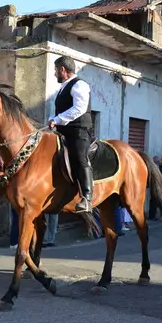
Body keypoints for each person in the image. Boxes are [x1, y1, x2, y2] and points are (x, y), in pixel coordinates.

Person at [48, 55, 94, 213]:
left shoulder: (79, 85)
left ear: (63, 70)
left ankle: (87, 197)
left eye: (55, 70)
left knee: (80, 157)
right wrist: (53, 119)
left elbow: (79, 109)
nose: (55, 74)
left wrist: (58, 119)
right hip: (63, 132)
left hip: (79, 132)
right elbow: (61, 110)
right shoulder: (63, 88)